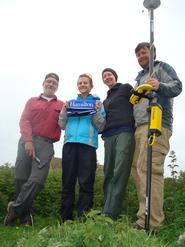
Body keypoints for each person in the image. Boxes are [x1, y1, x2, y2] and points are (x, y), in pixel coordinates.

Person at [132, 42, 182, 230]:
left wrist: (159, 85)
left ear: (152, 53)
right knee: (139, 171)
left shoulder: (162, 67)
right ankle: (142, 218)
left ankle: (152, 223)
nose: (141, 56)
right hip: (139, 127)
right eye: (138, 54)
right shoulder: (139, 78)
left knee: (151, 170)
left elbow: (177, 87)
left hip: (156, 123)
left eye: (144, 52)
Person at [4, 73, 64, 226]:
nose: (51, 84)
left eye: (54, 83)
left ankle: (14, 209)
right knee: (21, 178)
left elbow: (66, 122)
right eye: (49, 81)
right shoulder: (32, 101)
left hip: (46, 144)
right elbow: (24, 120)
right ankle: (25, 218)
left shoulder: (62, 105)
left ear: (57, 86)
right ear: (43, 83)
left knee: (37, 180)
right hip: (26, 140)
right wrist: (28, 140)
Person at [58, 73, 105, 222]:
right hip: (70, 145)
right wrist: (64, 110)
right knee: (67, 182)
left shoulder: (98, 103)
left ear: (91, 86)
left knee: (86, 182)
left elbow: (101, 126)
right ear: (77, 85)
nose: (83, 85)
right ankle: (65, 218)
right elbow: (61, 125)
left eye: (86, 83)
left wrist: (96, 111)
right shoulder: (70, 103)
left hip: (88, 146)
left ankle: (83, 218)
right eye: (80, 83)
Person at [101, 68, 135, 219]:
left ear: (115, 77)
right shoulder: (105, 100)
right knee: (108, 172)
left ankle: (111, 213)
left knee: (120, 170)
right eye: (104, 76)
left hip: (125, 131)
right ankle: (105, 209)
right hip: (108, 136)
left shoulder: (126, 87)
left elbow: (139, 102)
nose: (107, 77)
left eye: (109, 75)